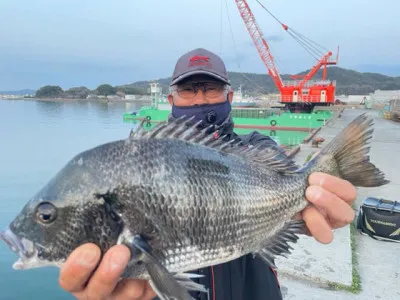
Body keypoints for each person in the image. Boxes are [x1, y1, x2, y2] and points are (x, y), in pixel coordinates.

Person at [58, 48, 357, 300]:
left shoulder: (257, 147)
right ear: (171, 100)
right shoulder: (145, 156)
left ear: (229, 96)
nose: (200, 99)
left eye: (210, 88)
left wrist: (309, 206)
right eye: (188, 90)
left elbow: (289, 179)